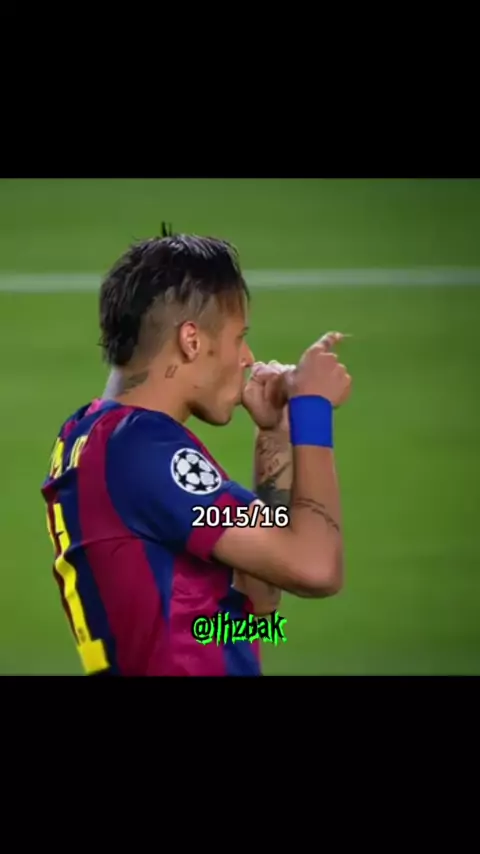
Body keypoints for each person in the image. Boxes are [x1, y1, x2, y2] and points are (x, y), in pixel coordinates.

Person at [40, 230, 352, 676]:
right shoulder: (143, 449)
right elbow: (317, 567)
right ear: (192, 340)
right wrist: (313, 409)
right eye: (239, 337)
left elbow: (261, 599)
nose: (247, 358)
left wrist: (276, 434)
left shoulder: (95, 436)